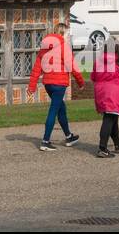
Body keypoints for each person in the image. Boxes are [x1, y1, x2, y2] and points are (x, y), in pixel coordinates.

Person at [27, 21, 84, 151]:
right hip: (59, 84)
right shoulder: (64, 47)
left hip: (48, 84)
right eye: (68, 34)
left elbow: (37, 68)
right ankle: (45, 141)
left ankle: (69, 136)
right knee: (53, 111)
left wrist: (32, 86)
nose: (69, 36)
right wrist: (80, 82)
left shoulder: (45, 47)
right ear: (62, 33)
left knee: (60, 109)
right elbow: (73, 68)